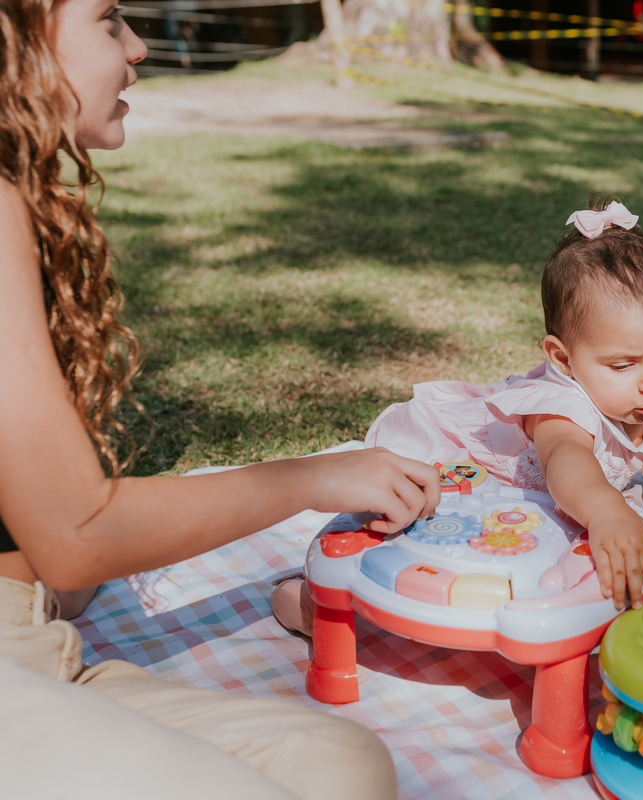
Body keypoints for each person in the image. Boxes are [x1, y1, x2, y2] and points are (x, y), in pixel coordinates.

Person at [0, 0, 450, 797]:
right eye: (109, 19)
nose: (138, 47)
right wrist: (315, 476)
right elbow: (76, 536)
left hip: (36, 651)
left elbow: (56, 554)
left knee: (344, 764)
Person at [272, 198, 643, 632]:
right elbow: (569, 463)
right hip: (472, 475)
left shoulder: (640, 395)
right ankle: (320, 597)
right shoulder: (560, 409)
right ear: (562, 359)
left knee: (565, 563)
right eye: (623, 365)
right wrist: (605, 511)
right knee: (405, 530)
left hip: (542, 505)